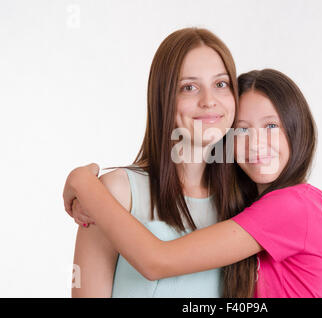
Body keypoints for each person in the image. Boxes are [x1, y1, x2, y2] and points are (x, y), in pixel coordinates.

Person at [64, 69, 322, 298]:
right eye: (241, 129)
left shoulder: (295, 205)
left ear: (298, 128)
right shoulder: (243, 205)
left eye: (271, 126)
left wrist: (83, 183)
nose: (256, 143)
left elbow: (156, 261)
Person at [67, 27, 250, 297]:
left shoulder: (247, 198)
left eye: (221, 84)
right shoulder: (115, 192)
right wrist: (81, 182)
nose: (209, 101)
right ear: (163, 98)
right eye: (189, 87)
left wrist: (78, 180)